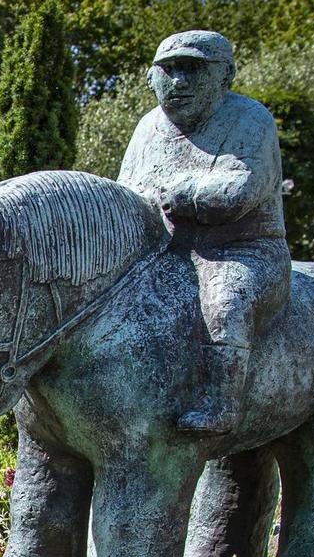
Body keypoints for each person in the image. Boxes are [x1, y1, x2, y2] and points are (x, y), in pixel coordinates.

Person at [118, 30, 290, 435]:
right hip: (166, 253)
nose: (179, 82)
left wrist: (176, 191)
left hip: (241, 250)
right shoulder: (147, 128)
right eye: (170, 70)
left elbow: (240, 189)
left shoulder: (250, 119)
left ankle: (222, 402)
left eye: (193, 70)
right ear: (151, 78)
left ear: (225, 74)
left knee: (226, 301)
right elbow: (127, 194)